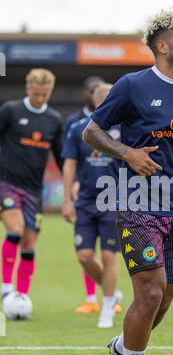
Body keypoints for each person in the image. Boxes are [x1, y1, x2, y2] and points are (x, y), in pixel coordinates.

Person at [83, 9, 173, 355]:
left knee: (167, 294)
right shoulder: (131, 85)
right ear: (161, 45)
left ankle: (123, 346)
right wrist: (128, 153)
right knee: (151, 292)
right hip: (135, 200)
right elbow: (93, 131)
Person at [62, 83, 122, 328]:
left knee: (109, 256)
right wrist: (67, 198)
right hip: (85, 201)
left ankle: (107, 307)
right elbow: (69, 164)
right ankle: (112, 291)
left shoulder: (124, 130)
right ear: (98, 103)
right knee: (85, 256)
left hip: (113, 202)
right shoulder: (78, 130)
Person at [0, 68, 62, 300]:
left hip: (34, 191)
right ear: (28, 89)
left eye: (44, 94)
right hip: (6, 183)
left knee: (28, 244)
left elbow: (61, 156)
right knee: (15, 231)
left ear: (50, 91)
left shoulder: (54, 119)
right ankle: (6, 287)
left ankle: (22, 295)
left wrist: (71, 184)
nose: (40, 98)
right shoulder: (11, 110)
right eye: (36, 93)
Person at [64, 76, 105, 311]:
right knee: (86, 251)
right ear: (85, 94)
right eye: (91, 90)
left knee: (107, 253)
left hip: (110, 196)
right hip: (85, 192)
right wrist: (71, 189)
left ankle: (108, 295)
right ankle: (91, 297)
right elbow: (68, 159)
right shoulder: (74, 122)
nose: (94, 94)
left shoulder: (116, 122)